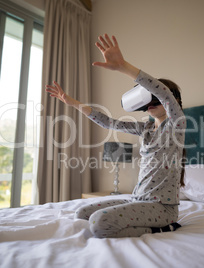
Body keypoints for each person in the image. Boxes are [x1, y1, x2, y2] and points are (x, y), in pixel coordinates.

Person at [45, 34, 186, 238]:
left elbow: (164, 93)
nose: (152, 102)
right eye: (148, 98)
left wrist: (123, 66)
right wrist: (72, 102)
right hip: (138, 199)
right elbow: (108, 122)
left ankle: (166, 226)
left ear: (174, 102)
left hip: (162, 207)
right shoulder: (145, 129)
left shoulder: (177, 125)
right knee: (82, 213)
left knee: (99, 223)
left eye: (155, 97)